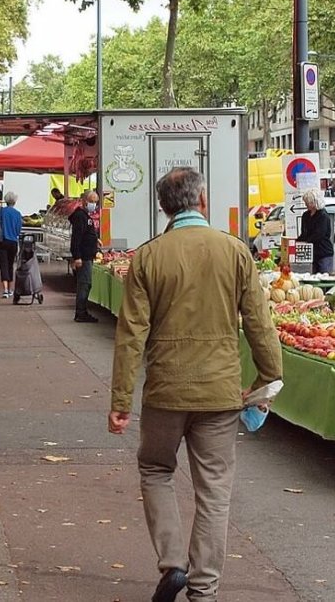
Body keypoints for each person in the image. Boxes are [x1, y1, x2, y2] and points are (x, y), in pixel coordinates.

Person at [109, 167, 283, 602]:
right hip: (221, 392)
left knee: (154, 469)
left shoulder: (148, 258)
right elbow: (260, 325)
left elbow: (131, 335)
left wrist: (120, 401)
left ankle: (172, 564)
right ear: (202, 201)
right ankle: (204, 589)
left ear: (164, 207)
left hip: (166, 390)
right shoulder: (235, 252)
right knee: (214, 490)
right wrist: (266, 380)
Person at [69, 190, 101, 323]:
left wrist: (95, 240)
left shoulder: (85, 216)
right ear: (85, 201)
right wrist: (77, 257)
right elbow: (77, 238)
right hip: (84, 257)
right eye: (92, 202)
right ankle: (81, 313)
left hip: (87, 255)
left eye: (95, 202)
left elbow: (86, 234)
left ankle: (82, 311)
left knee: (86, 284)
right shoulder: (81, 217)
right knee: (84, 284)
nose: (94, 205)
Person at [0, 191, 23, 298]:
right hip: (13, 242)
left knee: (3, 264)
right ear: (14, 202)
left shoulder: (0, 211)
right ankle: (10, 288)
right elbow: (18, 231)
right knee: (10, 265)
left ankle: (4, 289)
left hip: (1, 241)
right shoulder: (18, 214)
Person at [296, 188, 334, 274]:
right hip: (311, 254)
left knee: (325, 277)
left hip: (323, 253)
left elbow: (320, 234)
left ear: (314, 202)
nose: (306, 204)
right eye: (305, 202)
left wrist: (306, 242)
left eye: (308, 202)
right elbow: (304, 233)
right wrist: (296, 242)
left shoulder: (323, 216)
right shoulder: (305, 215)